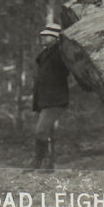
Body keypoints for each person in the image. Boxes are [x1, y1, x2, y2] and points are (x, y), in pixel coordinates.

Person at [30, 22, 69, 170]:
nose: (43, 37)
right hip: (45, 98)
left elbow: (66, 71)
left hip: (55, 98)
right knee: (48, 131)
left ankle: (38, 162)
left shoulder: (60, 52)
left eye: (47, 35)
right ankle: (49, 164)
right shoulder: (46, 53)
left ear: (55, 37)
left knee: (41, 130)